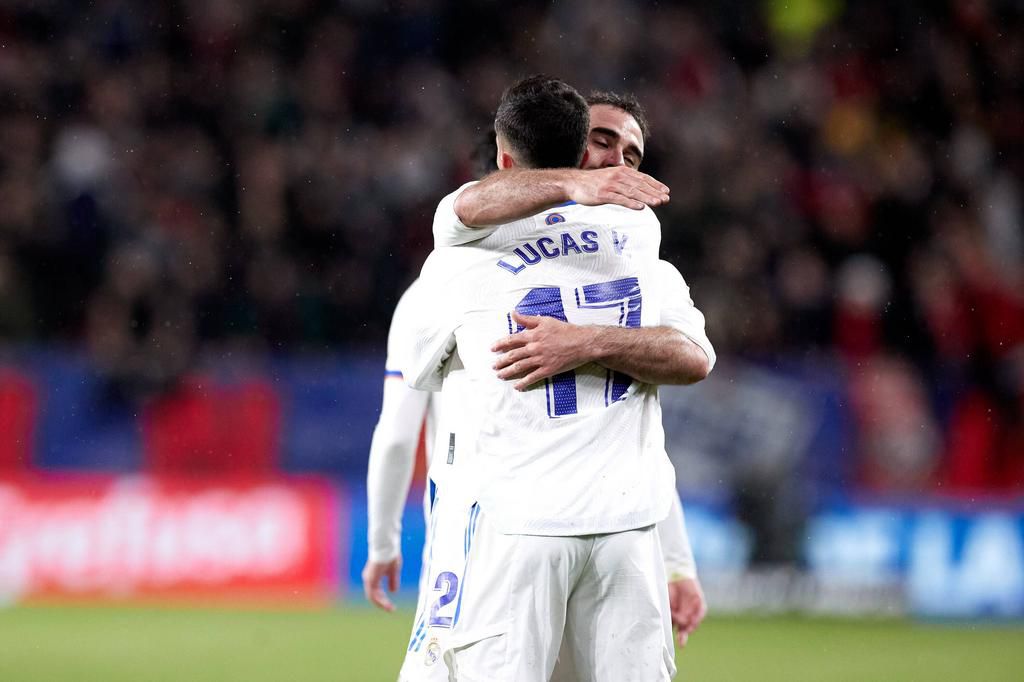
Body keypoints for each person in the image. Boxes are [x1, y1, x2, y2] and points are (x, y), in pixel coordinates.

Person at [400, 75, 714, 681]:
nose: (614, 168)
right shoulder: (475, 242)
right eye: (599, 145)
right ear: (568, 154)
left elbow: (696, 358)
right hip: (518, 516)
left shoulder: (642, 255)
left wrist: (585, 342)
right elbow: (467, 207)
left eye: (631, 157)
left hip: (603, 528)